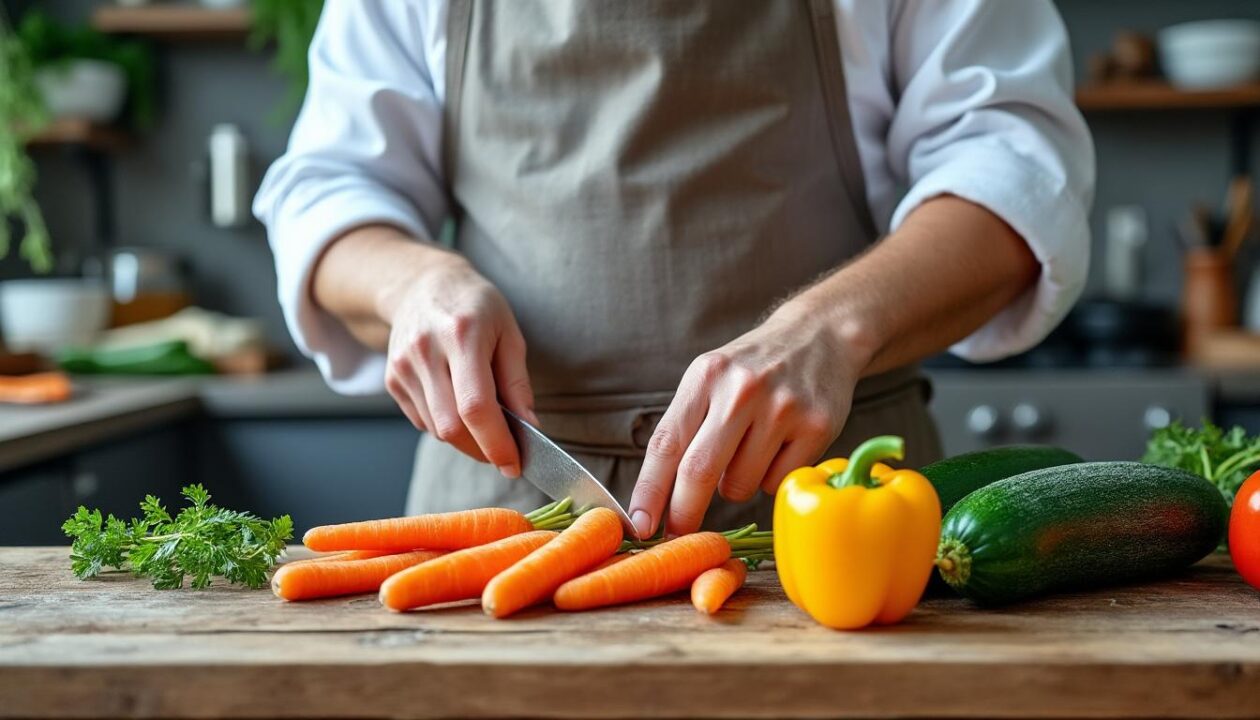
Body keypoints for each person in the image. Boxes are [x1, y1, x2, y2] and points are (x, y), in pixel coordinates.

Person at [256, 0, 1094, 539]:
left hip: (830, 513)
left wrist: (830, 330)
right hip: (504, 516)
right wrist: (412, 286)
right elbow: (329, 192)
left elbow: (1017, 171)